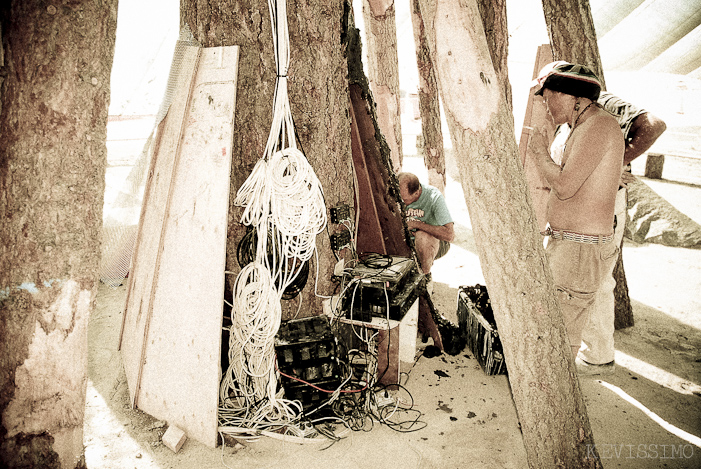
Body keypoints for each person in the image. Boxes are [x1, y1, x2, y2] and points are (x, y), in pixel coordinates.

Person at [547, 85, 667, 373]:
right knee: (581, 279)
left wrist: (617, 161)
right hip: (583, 207)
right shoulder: (572, 118)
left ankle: (599, 356)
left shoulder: (603, 103)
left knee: (596, 281)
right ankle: (591, 351)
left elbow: (654, 125)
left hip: (603, 205)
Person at [528, 62, 624, 359]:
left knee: (562, 333)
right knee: (559, 325)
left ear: (571, 96)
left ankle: (556, 401)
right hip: (571, 246)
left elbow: (565, 186)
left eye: (548, 97)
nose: (545, 105)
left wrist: (539, 152)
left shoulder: (599, 125)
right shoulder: (584, 126)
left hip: (579, 250)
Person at [397, 172, 454, 277]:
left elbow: (449, 235)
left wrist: (417, 225)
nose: (402, 202)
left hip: (433, 242)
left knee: (422, 237)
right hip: (406, 241)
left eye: (405, 200)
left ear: (417, 192)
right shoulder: (397, 193)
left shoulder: (433, 196)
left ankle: (423, 276)